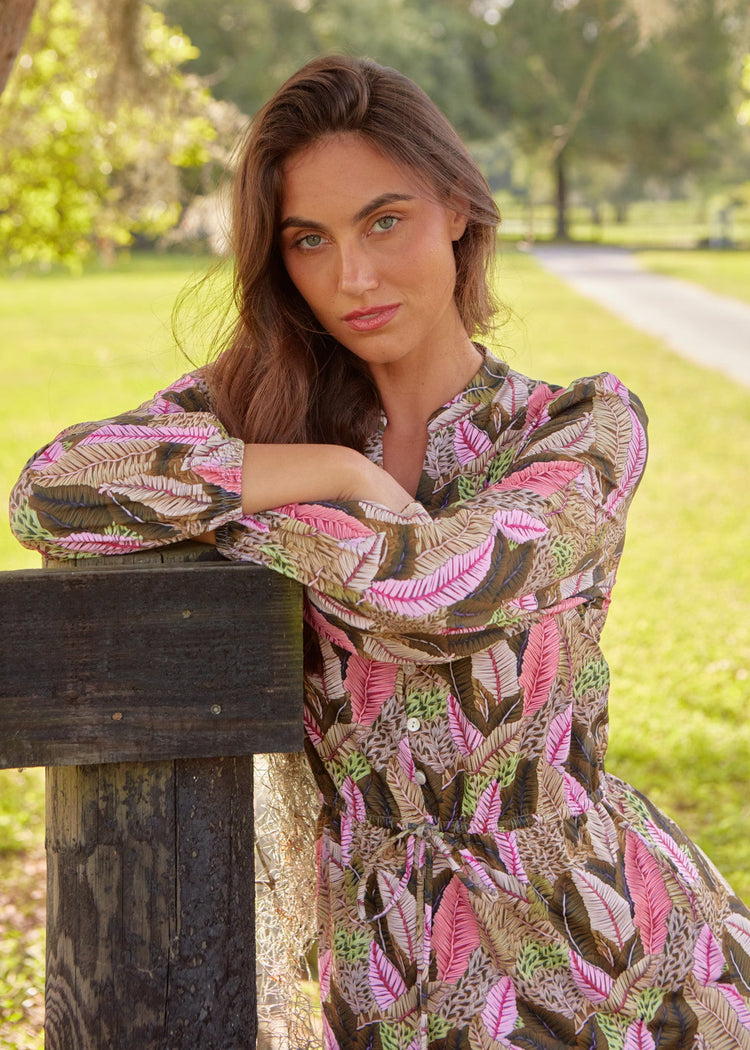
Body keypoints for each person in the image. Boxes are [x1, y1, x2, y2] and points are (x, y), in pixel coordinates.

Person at [9, 55, 750, 1050]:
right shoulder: (269, 417)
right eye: (308, 241)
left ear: (456, 209)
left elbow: (438, 594)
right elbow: (53, 491)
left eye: (384, 221)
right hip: (383, 954)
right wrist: (332, 471)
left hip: (598, 944)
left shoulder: (579, 428)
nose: (350, 277)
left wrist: (223, 505)